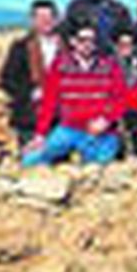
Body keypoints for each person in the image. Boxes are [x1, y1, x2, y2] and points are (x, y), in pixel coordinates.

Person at [22, 23, 126, 166]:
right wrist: (40, 135)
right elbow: (49, 102)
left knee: (99, 167)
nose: (87, 44)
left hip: (101, 131)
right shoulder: (60, 66)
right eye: (82, 40)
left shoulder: (109, 66)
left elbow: (121, 98)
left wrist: (107, 120)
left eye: (92, 40)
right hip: (69, 128)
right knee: (30, 161)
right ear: (73, 41)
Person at [0, 0, 64, 149]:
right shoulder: (21, 47)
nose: (46, 21)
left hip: (61, 118)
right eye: (40, 17)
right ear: (32, 20)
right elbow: (8, 79)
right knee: (33, 159)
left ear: (57, 19)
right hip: (31, 117)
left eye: (50, 17)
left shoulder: (67, 47)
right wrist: (30, 93)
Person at [62, 0, 132, 54]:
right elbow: (66, 32)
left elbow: (127, 35)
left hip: (110, 56)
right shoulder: (76, 7)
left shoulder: (119, 10)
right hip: (83, 57)